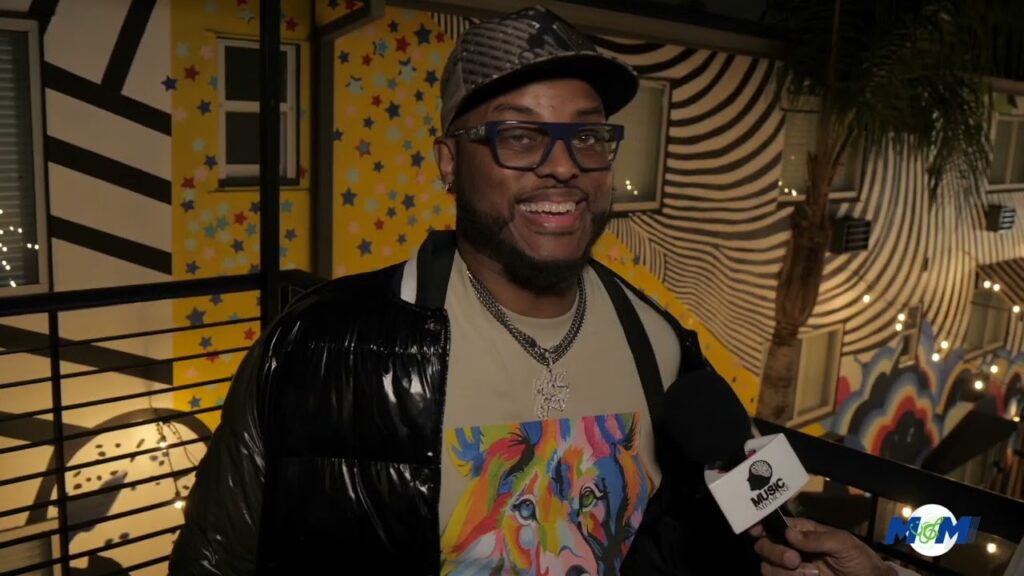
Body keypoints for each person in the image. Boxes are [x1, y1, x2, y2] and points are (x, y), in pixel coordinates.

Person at [169, 6, 909, 575]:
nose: (564, 167)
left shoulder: (661, 341)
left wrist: (793, 554)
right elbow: (213, 559)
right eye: (518, 136)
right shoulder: (314, 348)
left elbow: (739, 498)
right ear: (449, 163)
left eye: (587, 136)